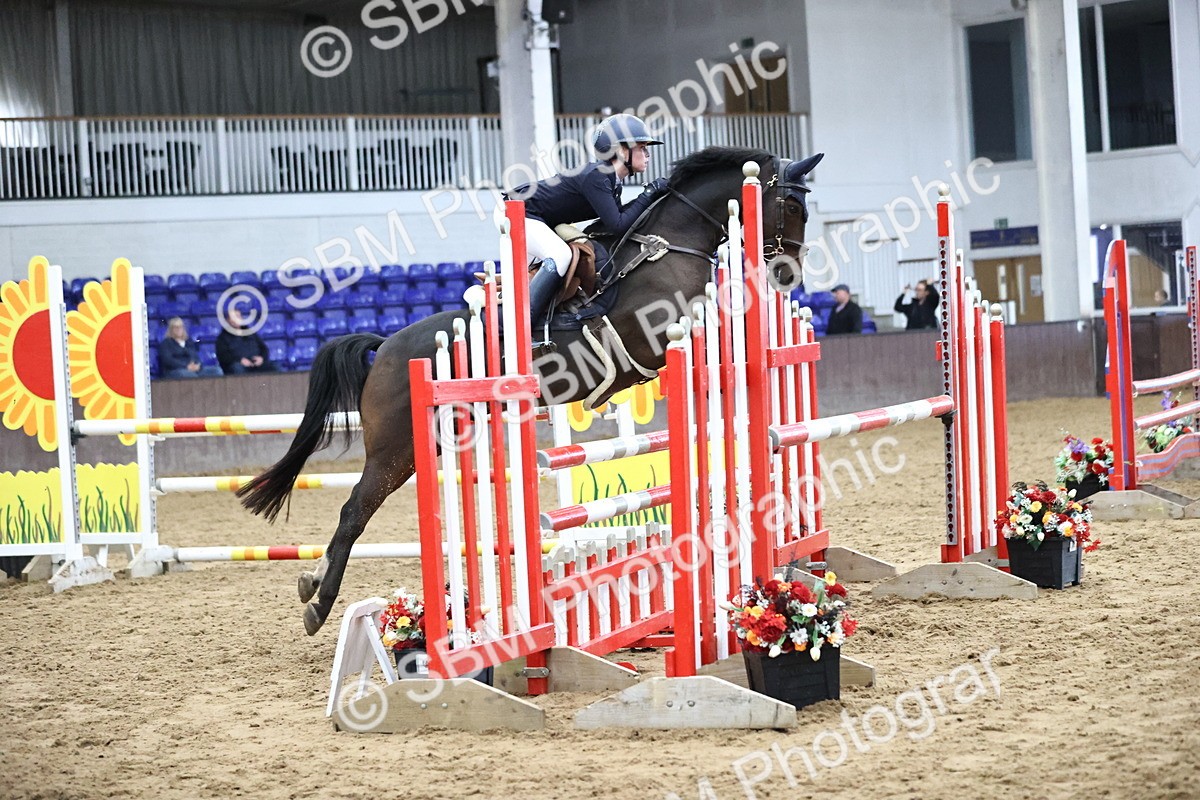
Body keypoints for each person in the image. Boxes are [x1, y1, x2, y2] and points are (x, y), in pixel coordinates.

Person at [507, 113, 670, 328]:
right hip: (517, 211)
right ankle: (524, 321)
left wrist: (653, 198)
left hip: (536, 217)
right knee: (561, 256)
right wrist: (648, 194)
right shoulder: (598, 176)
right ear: (621, 151)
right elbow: (618, 225)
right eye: (641, 147)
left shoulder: (611, 181)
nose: (647, 154)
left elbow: (620, 218)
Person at [216, 308, 277, 375]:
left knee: (275, 366)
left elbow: (264, 348)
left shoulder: (251, 333)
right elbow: (223, 356)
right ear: (227, 320)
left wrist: (261, 358)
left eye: (238, 316)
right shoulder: (222, 338)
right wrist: (240, 360)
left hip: (256, 365)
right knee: (237, 368)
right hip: (238, 366)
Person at [156, 317, 222, 379]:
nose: (179, 329)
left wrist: (197, 365)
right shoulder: (165, 343)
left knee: (217, 371)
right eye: (176, 327)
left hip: (193, 369)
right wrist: (186, 366)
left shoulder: (189, 341)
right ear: (171, 329)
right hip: (176, 370)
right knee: (189, 375)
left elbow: (195, 356)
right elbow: (168, 361)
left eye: (180, 327)